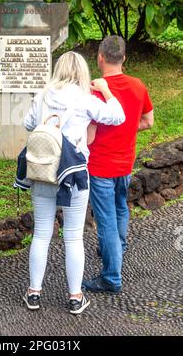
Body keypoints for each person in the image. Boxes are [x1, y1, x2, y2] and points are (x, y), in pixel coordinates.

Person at [22, 51, 126, 314]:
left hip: (43, 172)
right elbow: (117, 116)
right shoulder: (85, 100)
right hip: (74, 174)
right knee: (73, 237)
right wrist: (108, 92)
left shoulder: (42, 94)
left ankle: (34, 293)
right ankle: (75, 297)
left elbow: (28, 124)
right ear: (81, 72)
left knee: (42, 233)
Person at [82, 35, 154, 295]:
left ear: (99, 57)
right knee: (121, 208)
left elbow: (89, 134)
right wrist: (125, 128)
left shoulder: (93, 90)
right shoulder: (138, 85)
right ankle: (117, 250)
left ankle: (111, 277)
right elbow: (148, 121)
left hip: (100, 165)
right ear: (123, 58)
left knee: (106, 220)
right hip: (126, 161)